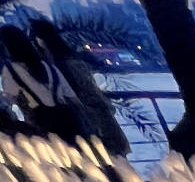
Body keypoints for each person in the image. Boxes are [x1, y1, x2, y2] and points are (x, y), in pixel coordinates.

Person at [28, 20, 129, 155]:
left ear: (39, 40)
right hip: (90, 120)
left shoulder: (63, 65)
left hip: (89, 122)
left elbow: (89, 92)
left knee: (105, 157)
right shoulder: (67, 61)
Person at [0, 25, 85, 144]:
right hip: (68, 119)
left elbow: (9, 99)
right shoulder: (49, 67)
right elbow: (73, 98)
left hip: (42, 123)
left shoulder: (10, 69)